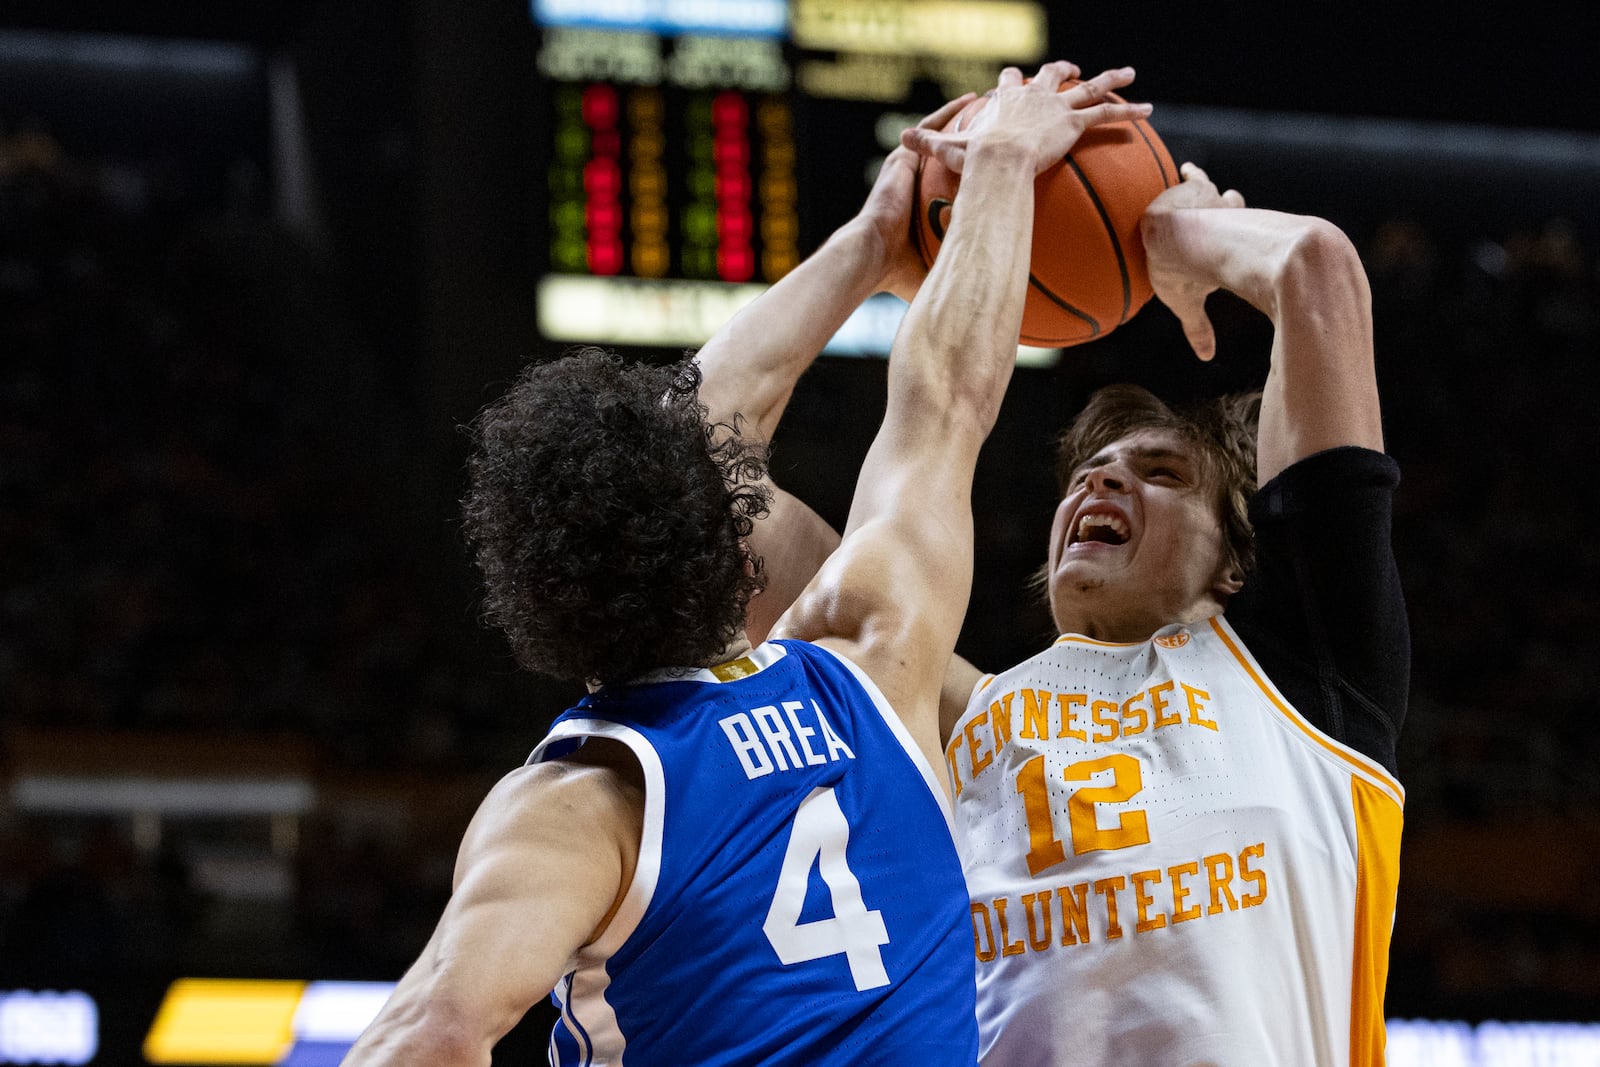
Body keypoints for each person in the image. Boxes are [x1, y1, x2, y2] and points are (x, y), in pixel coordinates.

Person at [340, 61, 1154, 1066]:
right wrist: (974, 181)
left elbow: (434, 1030)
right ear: (733, 535)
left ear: (531, 596)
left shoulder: (582, 802)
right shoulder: (867, 654)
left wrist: (880, 238)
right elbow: (946, 396)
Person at [708, 108, 1408, 1067]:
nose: (1102, 480)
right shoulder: (952, 709)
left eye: (1160, 472)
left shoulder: (1306, 677)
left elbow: (1314, 270)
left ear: (1239, 559)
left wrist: (1170, 232)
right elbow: (697, 487)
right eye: (1089, 472)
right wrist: (873, 241)